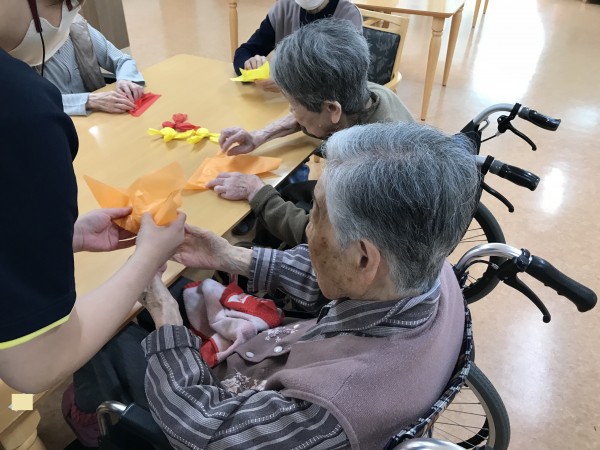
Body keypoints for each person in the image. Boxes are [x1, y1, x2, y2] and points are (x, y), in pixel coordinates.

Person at [71, 122, 480, 449]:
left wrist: (163, 312)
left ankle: (90, 422)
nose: (308, 227)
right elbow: (350, 283)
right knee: (181, 293)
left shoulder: (332, 408)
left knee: (101, 334)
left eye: (316, 214)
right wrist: (230, 256)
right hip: (283, 354)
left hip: (230, 409)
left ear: (363, 258)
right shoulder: (430, 269)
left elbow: (204, 432)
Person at [0, 0, 185, 394]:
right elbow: (36, 363)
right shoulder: (21, 111)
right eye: (61, 2)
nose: (64, 18)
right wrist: (148, 258)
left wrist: (57, 239)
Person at [215, 18, 415, 246]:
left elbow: (320, 239)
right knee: (290, 193)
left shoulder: (363, 167)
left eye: (293, 105)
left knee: (245, 245)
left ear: (332, 109)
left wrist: (256, 192)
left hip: (380, 242)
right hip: (374, 213)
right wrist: (260, 136)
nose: (291, 111)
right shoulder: (365, 91)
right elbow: (314, 115)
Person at [233, 0, 362, 92]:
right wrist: (249, 66)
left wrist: (292, 83)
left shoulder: (348, 16)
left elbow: (345, 79)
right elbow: (245, 51)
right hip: (285, 106)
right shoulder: (284, 8)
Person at [42, 13, 145, 115]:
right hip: (55, 119)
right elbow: (39, 103)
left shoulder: (77, 27)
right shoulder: (32, 52)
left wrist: (125, 79)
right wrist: (88, 100)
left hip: (98, 115)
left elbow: (122, 60)